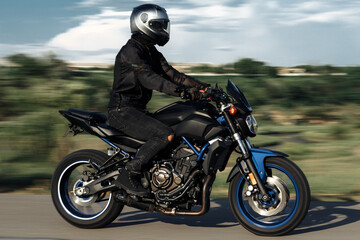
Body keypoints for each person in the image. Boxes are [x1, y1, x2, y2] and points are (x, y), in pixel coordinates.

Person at [108, 4, 209, 196]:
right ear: (144, 24)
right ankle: (129, 173)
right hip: (122, 111)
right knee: (165, 135)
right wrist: (183, 92)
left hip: (137, 110)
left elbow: (174, 75)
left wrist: (204, 87)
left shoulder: (151, 51)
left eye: (164, 25)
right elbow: (149, 78)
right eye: (158, 25)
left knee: (178, 135)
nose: (162, 30)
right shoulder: (130, 52)